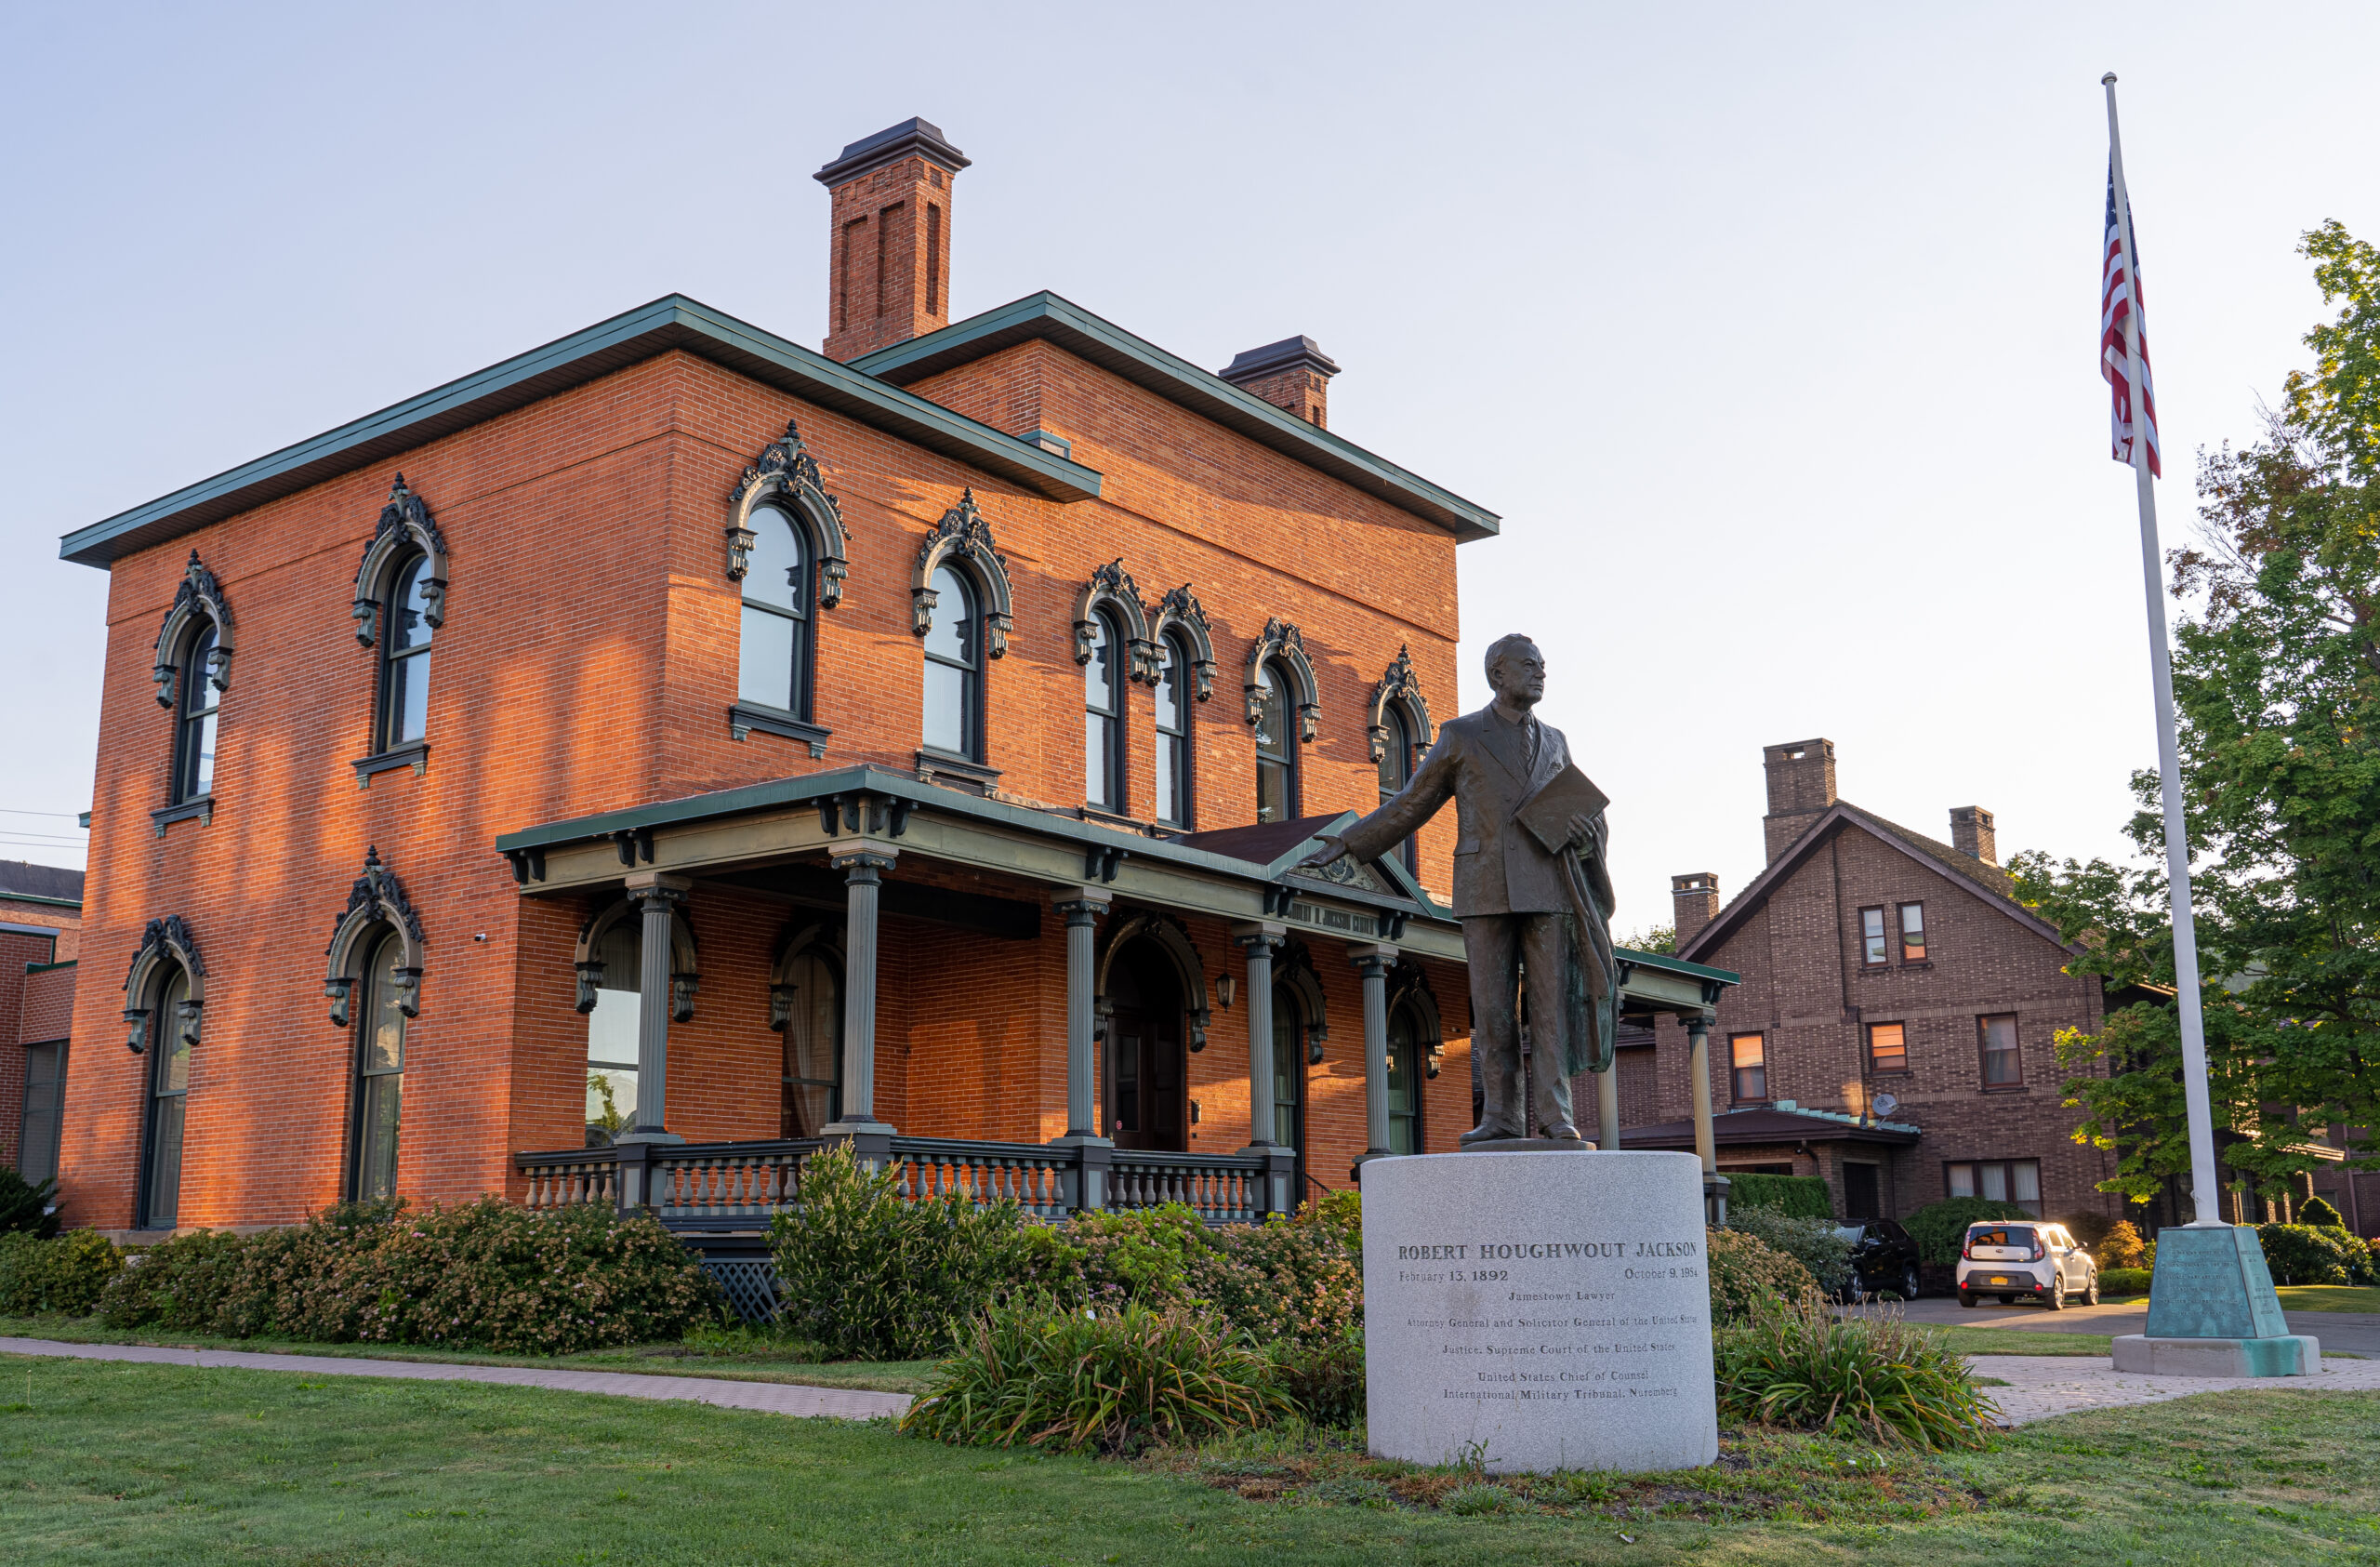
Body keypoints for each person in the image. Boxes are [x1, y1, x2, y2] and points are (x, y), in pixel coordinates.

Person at [1304, 633, 1617, 1142]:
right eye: (1529, 665)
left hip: (1548, 885)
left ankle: (1555, 1114)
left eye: (1542, 666)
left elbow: (1576, 809)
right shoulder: (1462, 735)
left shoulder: (1556, 741)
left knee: (1551, 1008)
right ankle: (1500, 1117)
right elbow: (1413, 802)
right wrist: (1350, 841)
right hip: (1485, 886)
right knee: (1492, 1010)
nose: (1541, 673)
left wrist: (1586, 837)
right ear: (1497, 673)